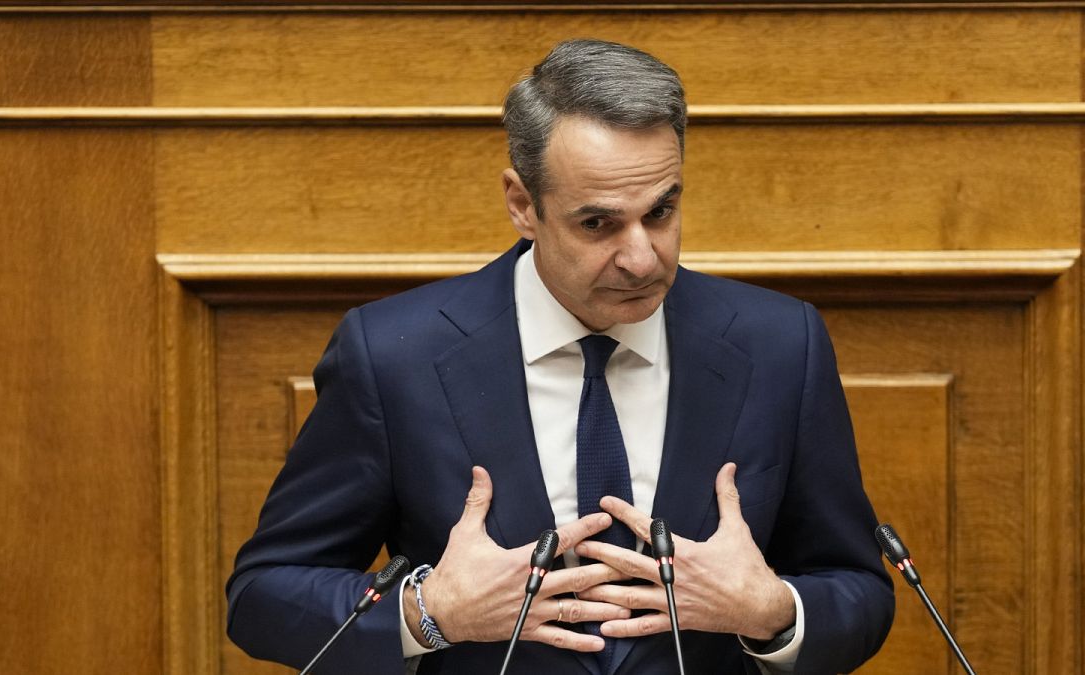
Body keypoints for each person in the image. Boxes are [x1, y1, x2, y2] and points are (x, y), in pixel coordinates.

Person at [227, 39, 893, 674]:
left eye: (661, 211)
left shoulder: (780, 344)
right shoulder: (394, 356)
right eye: (598, 223)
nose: (642, 257)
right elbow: (263, 596)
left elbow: (859, 591)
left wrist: (772, 610)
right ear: (523, 204)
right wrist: (430, 613)